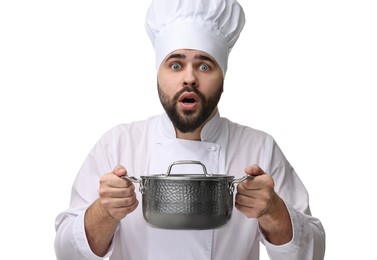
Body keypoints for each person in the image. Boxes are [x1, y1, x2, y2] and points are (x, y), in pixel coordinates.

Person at [54, 0, 326, 259]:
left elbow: (313, 254)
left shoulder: (259, 148)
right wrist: (104, 211)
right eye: (175, 64)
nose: (189, 78)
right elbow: (67, 254)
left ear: (223, 77)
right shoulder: (117, 145)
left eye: (204, 65)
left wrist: (273, 210)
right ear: (158, 75)